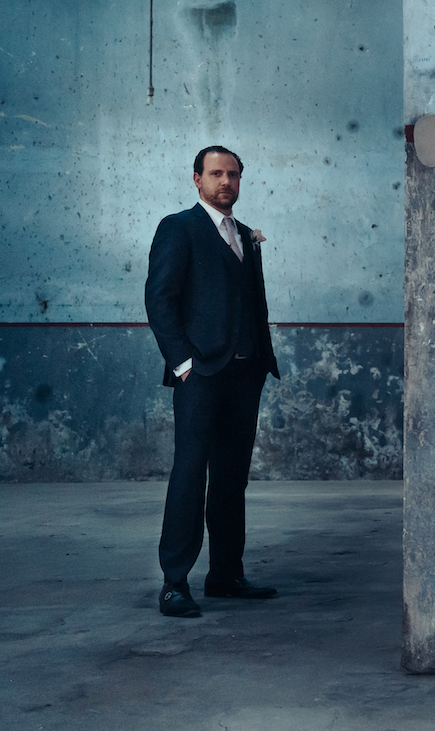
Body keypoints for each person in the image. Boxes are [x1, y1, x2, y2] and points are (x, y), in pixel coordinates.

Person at [145, 146, 281, 617]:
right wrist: (183, 364)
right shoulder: (177, 228)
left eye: (234, 174)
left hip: (245, 375)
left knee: (231, 478)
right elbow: (160, 300)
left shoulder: (245, 235)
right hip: (199, 374)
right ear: (197, 179)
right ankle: (174, 582)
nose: (226, 181)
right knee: (189, 473)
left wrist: (262, 359)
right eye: (216, 173)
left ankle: (225, 575)